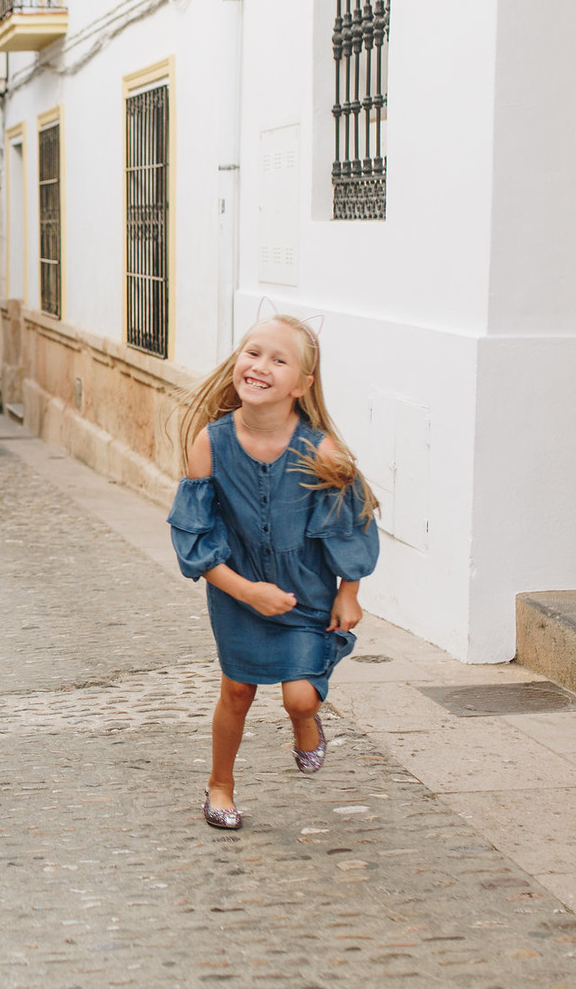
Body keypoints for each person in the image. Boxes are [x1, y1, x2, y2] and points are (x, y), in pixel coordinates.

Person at [166, 315, 379, 830]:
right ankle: (220, 785)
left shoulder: (322, 452)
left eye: (278, 360)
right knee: (236, 693)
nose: (260, 366)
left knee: (300, 694)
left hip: (304, 591)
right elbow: (197, 539)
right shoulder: (209, 445)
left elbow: (350, 525)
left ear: (303, 385)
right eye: (252, 353)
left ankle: (305, 723)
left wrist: (348, 593)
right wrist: (246, 591)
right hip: (236, 591)